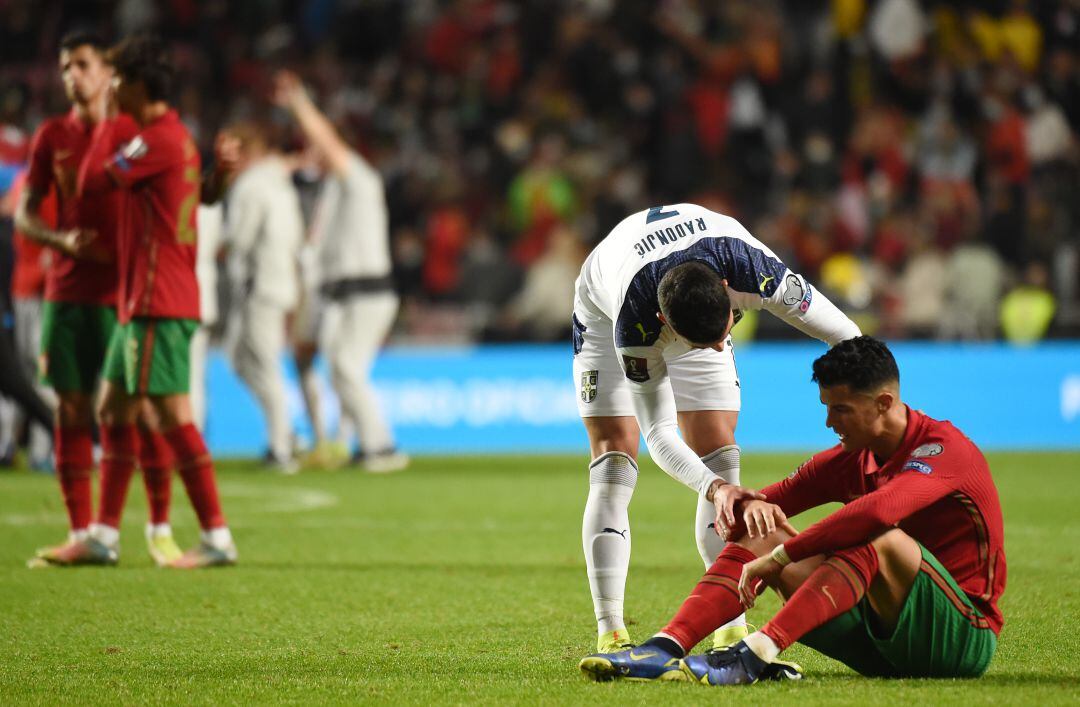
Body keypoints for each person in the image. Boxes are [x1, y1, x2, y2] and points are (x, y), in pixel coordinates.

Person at [579, 336, 1005, 685]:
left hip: (960, 637)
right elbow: (770, 499)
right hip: (879, 642)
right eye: (826, 408)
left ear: (883, 403)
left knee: (879, 536)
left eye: (841, 410)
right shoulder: (851, 458)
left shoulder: (944, 450)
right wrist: (735, 502)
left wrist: (783, 556)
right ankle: (666, 646)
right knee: (762, 524)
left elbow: (878, 513)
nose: (829, 423)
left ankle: (755, 653)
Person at [573, 203, 861, 653]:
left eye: (725, 334)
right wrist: (713, 490)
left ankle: (732, 626)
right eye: (703, 345)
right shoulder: (637, 327)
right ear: (668, 325)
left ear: (729, 293)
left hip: (687, 279)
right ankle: (611, 631)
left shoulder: (759, 272)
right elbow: (658, 434)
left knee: (720, 452)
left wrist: (874, 418)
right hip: (603, 302)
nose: (721, 347)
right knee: (615, 457)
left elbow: (849, 338)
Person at [66, 35, 236, 568]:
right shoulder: (174, 138)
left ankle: (216, 538)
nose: (112, 88)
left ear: (136, 85)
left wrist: (105, 124)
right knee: (113, 408)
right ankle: (103, 534)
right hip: (142, 299)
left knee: (169, 418)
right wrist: (220, 179)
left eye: (118, 79)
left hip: (158, 300)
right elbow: (197, 196)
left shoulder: (153, 139)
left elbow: (91, 181)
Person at [15, 31, 180, 567]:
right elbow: (26, 211)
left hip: (123, 295)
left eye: (83, 65)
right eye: (65, 66)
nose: (72, 76)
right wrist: (58, 240)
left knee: (139, 416)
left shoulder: (134, 131)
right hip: (65, 290)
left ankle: (159, 525)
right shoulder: (51, 136)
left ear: (109, 74)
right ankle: (83, 529)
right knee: (70, 407)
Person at [271, 70, 406, 473]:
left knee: (346, 368)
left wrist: (298, 104)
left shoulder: (360, 179)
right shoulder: (335, 190)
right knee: (345, 370)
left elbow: (327, 143)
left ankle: (381, 447)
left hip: (369, 292)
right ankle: (361, 444)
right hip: (346, 294)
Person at [219, 122, 303, 471]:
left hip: (259, 286)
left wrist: (210, 244)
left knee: (265, 365)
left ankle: (281, 447)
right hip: (277, 283)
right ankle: (284, 430)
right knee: (238, 359)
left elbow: (239, 238)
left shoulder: (251, 186)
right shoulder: (280, 185)